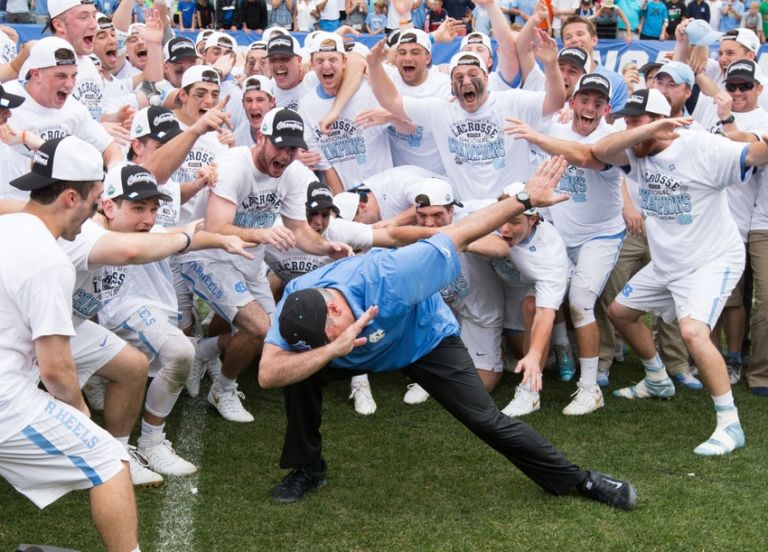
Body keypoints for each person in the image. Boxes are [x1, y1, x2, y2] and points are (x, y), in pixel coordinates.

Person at [258, 156, 637, 513]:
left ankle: (579, 480)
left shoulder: (392, 276)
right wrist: (329, 351)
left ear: (336, 310)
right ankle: (308, 468)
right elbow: (268, 373)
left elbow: (461, 232)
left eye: (325, 338)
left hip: (422, 339)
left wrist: (524, 200)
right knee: (298, 375)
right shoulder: (295, 303)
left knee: (485, 420)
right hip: (356, 345)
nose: (322, 344)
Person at [565, 88, 768, 455]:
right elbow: (599, 150)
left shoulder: (701, 148)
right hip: (668, 262)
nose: (630, 131)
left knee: (693, 332)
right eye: (627, 123)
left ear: (663, 123)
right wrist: (643, 131)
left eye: (637, 122)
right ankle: (657, 378)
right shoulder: (637, 149)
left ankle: (730, 424)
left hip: (712, 260)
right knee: (620, 312)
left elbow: (753, 154)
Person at [0, 135, 139, 551]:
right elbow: (56, 369)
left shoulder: (5, 228)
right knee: (109, 459)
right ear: (70, 198)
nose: (94, 215)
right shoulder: (49, 261)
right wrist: (81, 412)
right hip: (6, 402)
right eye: (95, 203)